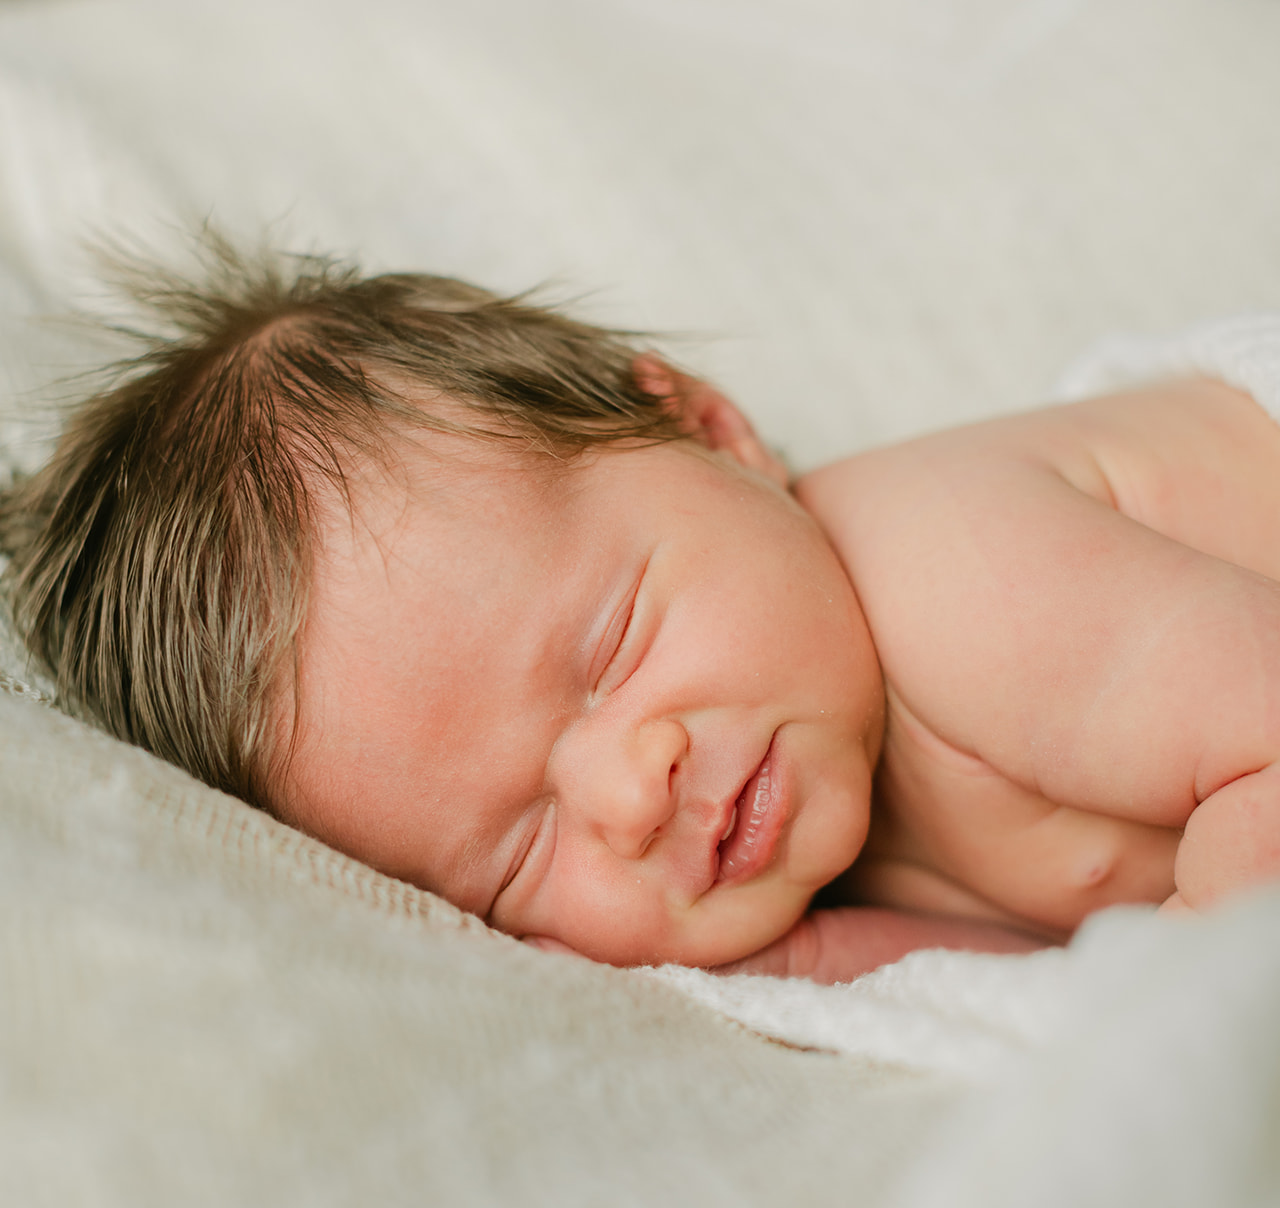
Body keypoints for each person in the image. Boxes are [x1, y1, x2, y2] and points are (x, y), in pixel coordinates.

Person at [5, 241, 1280, 983]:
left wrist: (1152, 1014)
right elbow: (995, 965)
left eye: (612, 646)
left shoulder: (952, 576)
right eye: (516, 855)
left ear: (712, 433)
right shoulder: (788, 843)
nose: (628, 795)